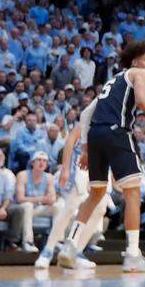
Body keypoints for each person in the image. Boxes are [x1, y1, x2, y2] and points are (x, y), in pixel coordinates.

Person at [58, 42, 145, 272]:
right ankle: (133, 254)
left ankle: (70, 247)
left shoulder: (112, 82)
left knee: (96, 193)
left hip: (95, 136)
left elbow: (85, 114)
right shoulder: (138, 74)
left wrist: (85, 148)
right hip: (117, 133)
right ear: (134, 61)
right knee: (133, 192)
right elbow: (143, 103)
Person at [35, 98, 108, 269]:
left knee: (100, 209)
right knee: (70, 207)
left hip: (101, 168)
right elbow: (69, 142)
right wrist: (66, 169)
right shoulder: (89, 118)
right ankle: (48, 249)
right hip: (80, 166)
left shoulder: (115, 122)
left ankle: (76, 251)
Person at [15, 151, 56, 253]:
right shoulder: (23, 175)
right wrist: (41, 199)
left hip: (39, 209)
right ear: (32, 163)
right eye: (39, 160)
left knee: (59, 206)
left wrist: (44, 199)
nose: (41, 163)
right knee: (28, 205)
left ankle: (57, 241)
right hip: (23, 210)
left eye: (44, 161)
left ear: (47, 165)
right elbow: (20, 198)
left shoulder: (49, 177)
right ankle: (28, 242)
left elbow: (52, 199)